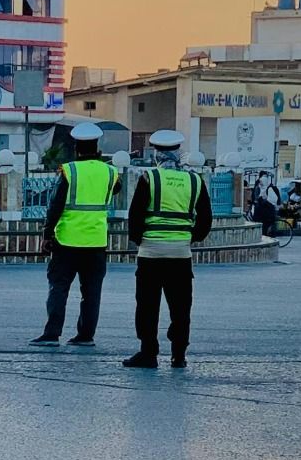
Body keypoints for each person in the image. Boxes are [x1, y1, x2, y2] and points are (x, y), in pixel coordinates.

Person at [123, 131, 212, 370]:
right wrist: (189, 239)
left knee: (147, 305)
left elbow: (135, 215)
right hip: (180, 256)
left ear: (157, 154)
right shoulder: (195, 181)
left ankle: (148, 353)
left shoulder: (149, 178)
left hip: (151, 254)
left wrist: (139, 240)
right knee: (181, 307)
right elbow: (205, 219)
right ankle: (179, 355)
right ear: (178, 152)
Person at [30, 123, 120, 348]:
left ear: (76, 148)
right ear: (97, 147)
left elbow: (56, 204)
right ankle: (85, 336)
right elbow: (116, 189)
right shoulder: (110, 172)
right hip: (96, 242)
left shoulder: (70, 171)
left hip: (67, 241)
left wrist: (47, 233)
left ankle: (52, 334)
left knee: (59, 288)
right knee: (91, 292)